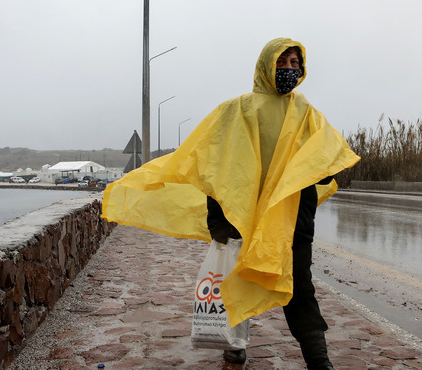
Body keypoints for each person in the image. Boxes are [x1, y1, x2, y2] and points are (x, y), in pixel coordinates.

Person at [101, 38, 359, 370]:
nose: (290, 70)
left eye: (296, 64)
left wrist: (322, 165)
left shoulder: (308, 114)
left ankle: (319, 361)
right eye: (283, 63)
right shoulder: (237, 111)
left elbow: (325, 165)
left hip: (291, 224)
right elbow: (213, 165)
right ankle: (234, 346)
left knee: (300, 291)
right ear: (267, 65)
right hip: (240, 220)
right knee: (235, 282)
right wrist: (217, 221)